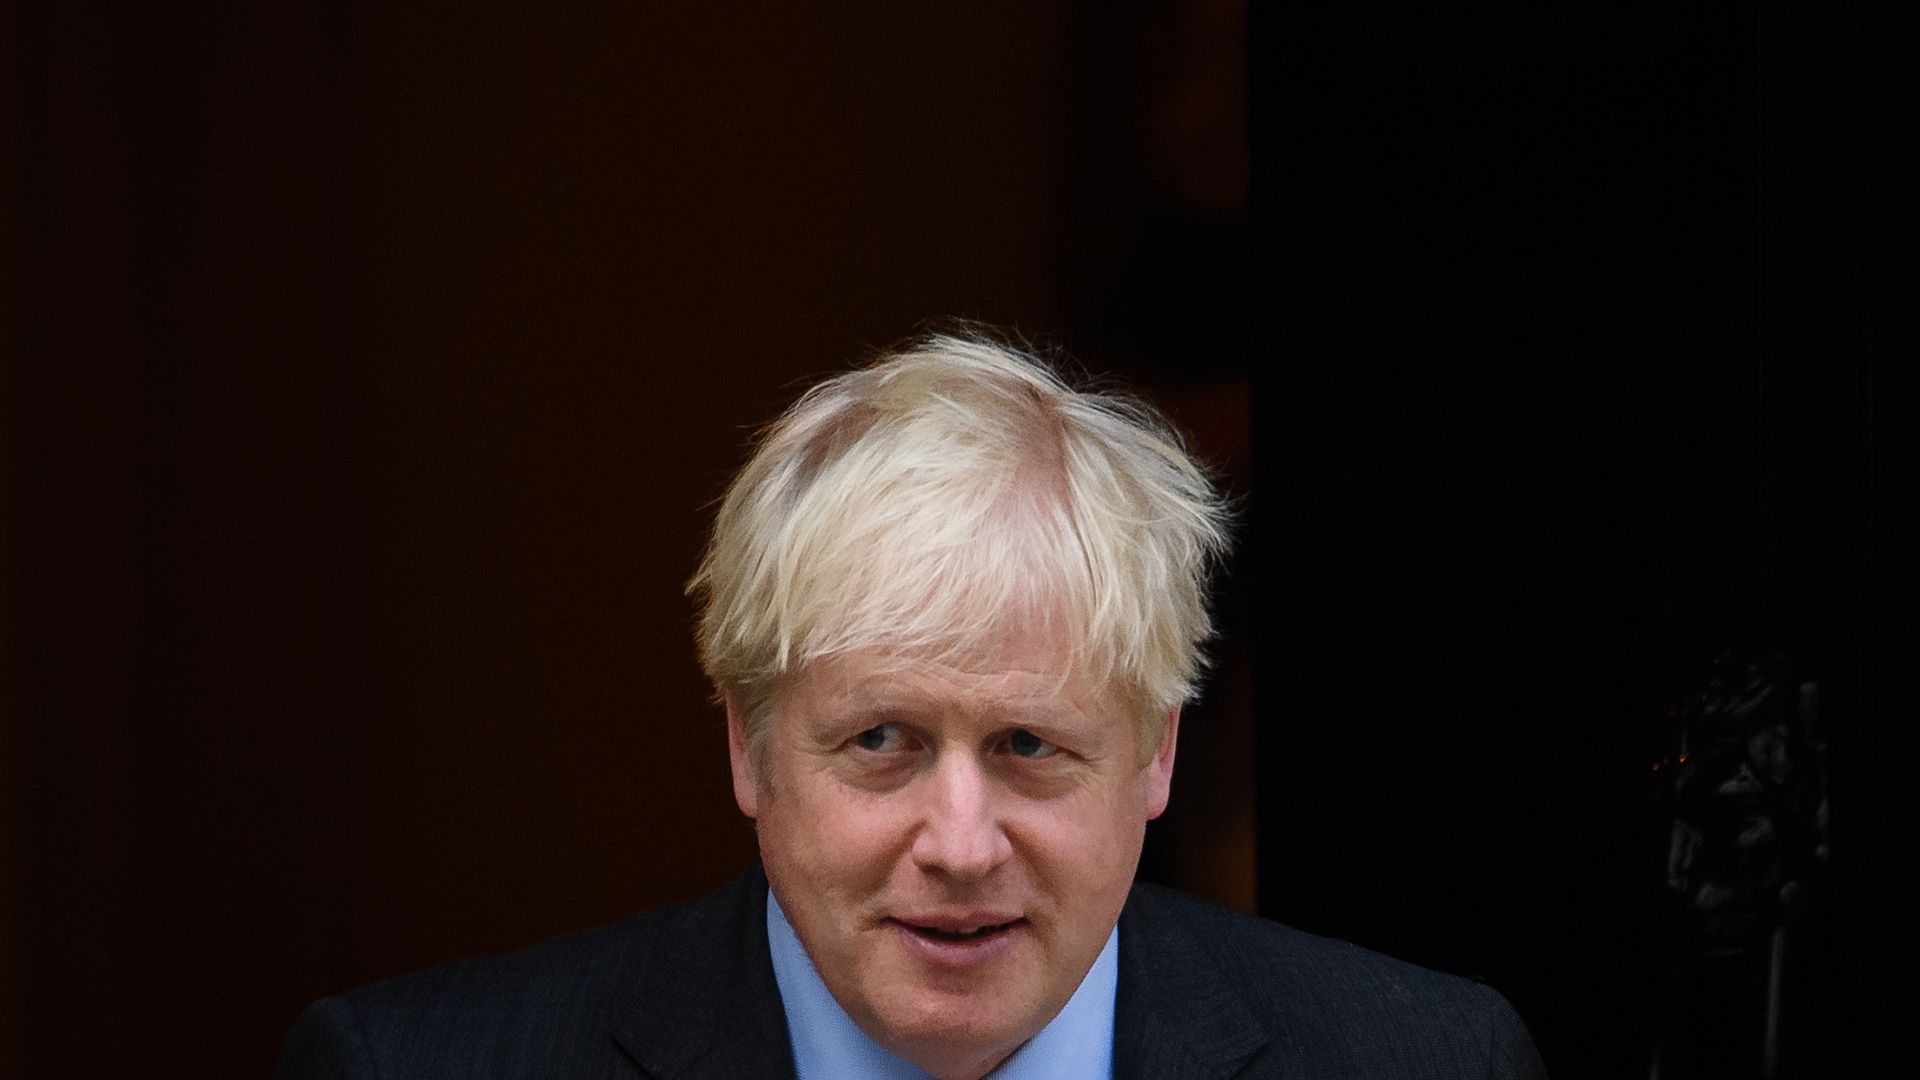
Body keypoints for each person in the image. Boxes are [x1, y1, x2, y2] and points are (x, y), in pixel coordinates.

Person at [278, 330, 1548, 1079]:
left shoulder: (1424, 1061)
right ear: (750, 746)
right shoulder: (416, 1069)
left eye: (1029, 745)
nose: (959, 844)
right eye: (881, 741)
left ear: (1158, 751)